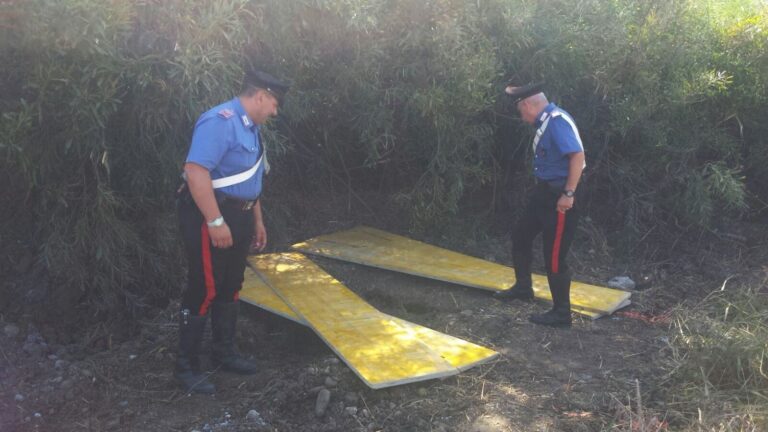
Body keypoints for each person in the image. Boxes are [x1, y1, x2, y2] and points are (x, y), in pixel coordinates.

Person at [174, 70, 289, 393]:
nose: (275, 111)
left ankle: (224, 354)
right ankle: (186, 368)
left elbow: (248, 180)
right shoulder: (220, 121)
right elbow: (196, 173)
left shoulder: (251, 129)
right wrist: (214, 222)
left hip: (238, 214)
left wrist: (257, 221)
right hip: (210, 213)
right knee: (205, 287)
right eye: (274, 104)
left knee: (231, 284)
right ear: (261, 96)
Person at [494, 82, 585, 328]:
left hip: (560, 198)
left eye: (520, 110)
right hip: (543, 194)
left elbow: (578, 156)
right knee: (521, 236)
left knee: (554, 256)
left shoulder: (557, 121)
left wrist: (568, 194)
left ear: (527, 104)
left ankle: (561, 313)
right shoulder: (545, 123)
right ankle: (523, 288)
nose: (521, 115)